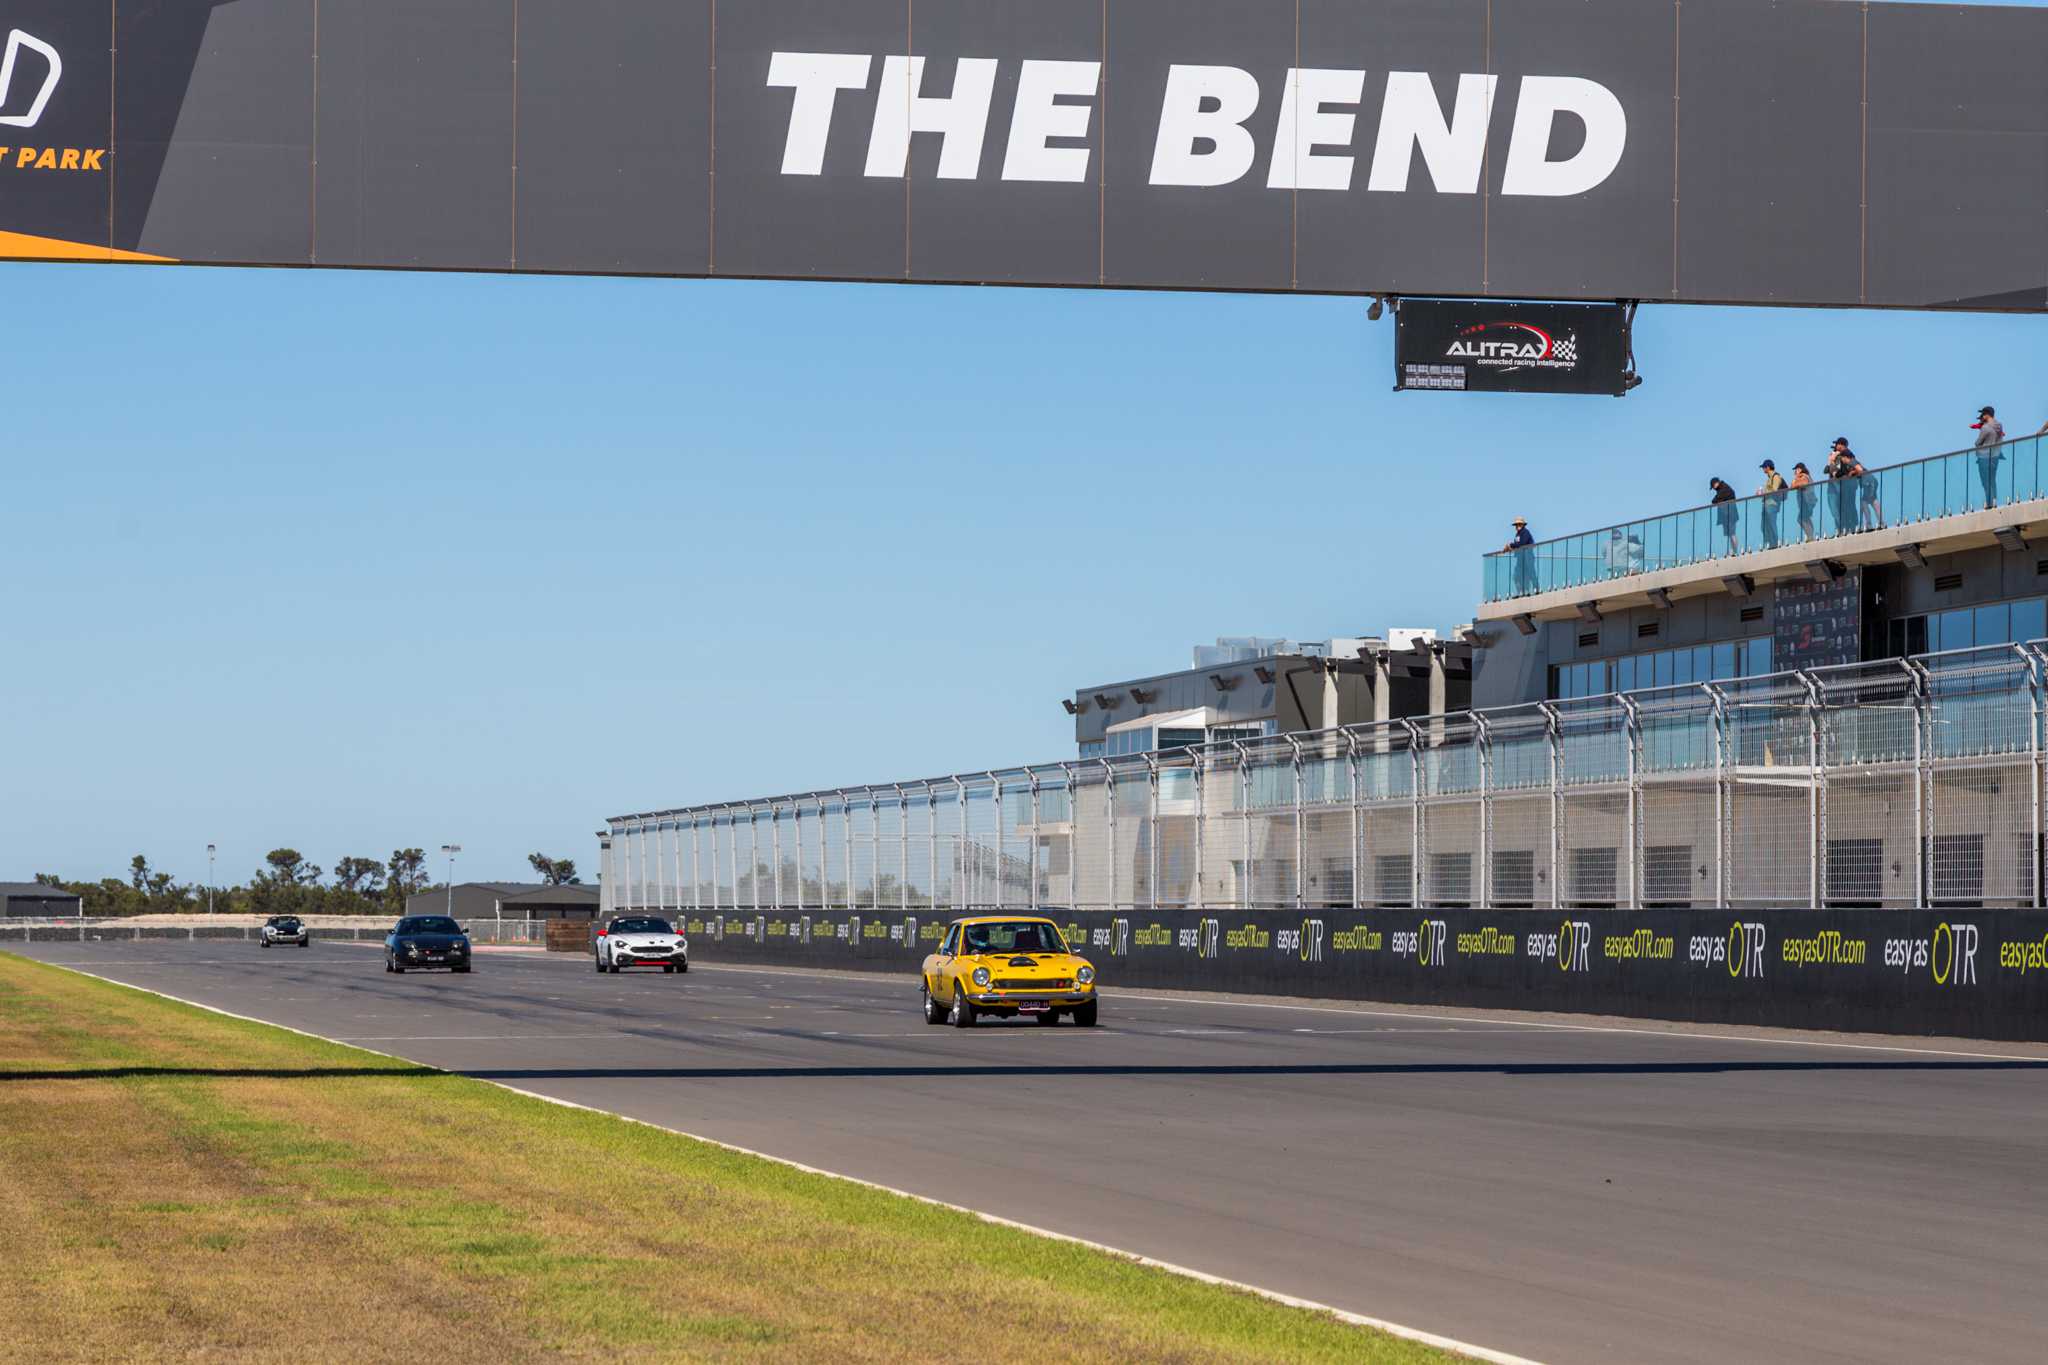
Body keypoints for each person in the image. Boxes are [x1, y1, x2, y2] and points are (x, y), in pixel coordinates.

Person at [1972, 405, 2006, 510]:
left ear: (1987, 414)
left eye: (1983, 414)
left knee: (1985, 481)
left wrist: (1980, 429)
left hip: (1984, 457)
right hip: (1995, 456)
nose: (1982, 416)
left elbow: (1977, 443)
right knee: (1992, 479)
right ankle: (1994, 500)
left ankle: (1989, 502)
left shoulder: (1985, 428)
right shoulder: (1999, 426)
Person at [1824, 438, 1859, 535]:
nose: (1835, 447)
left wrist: (1832, 461)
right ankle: (1843, 528)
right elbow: (1826, 470)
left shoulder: (1846, 454)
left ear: (1841, 445)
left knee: (1846, 507)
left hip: (1845, 485)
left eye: (1837, 445)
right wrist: (1831, 461)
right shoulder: (1842, 455)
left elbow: (1835, 472)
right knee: (1842, 508)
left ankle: (1847, 528)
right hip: (1842, 485)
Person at [1757, 460, 1787, 549]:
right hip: (1766, 504)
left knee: (1771, 524)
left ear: (1768, 467)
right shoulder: (1769, 478)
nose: (1763, 469)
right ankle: (1771, 543)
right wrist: (1761, 494)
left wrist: (1764, 492)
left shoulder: (1776, 476)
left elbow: (1774, 489)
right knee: (1764, 525)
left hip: (1772, 504)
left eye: (1764, 467)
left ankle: (1774, 544)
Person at [1503, 516, 1536, 595]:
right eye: (1516, 525)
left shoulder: (1525, 532)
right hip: (1520, 558)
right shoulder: (1517, 534)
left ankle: (1535, 589)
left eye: (1519, 524)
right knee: (1516, 576)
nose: (1518, 526)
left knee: (1530, 574)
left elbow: (1522, 543)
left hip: (1528, 556)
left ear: (1523, 525)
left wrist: (1510, 545)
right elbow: (1518, 546)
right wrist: (1509, 548)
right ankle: (1521, 592)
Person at [1709, 477, 1739, 555]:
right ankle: (1733, 550)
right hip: (1727, 515)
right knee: (1730, 534)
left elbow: (1714, 500)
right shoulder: (1722, 489)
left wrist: (1719, 500)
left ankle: (1734, 551)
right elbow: (1716, 500)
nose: (1714, 489)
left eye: (1713, 487)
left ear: (1716, 484)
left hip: (1730, 515)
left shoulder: (1724, 488)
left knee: (1732, 533)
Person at [1790, 462, 1818, 541]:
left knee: (1801, 518)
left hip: (1807, 501)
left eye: (1796, 470)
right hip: (1806, 501)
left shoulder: (1804, 475)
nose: (1795, 472)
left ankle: (1810, 536)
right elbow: (1792, 486)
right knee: (1805, 518)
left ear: (1800, 469)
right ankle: (1810, 535)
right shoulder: (1801, 476)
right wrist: (1795, 481)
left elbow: (1803, 483)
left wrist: (1796, 481)